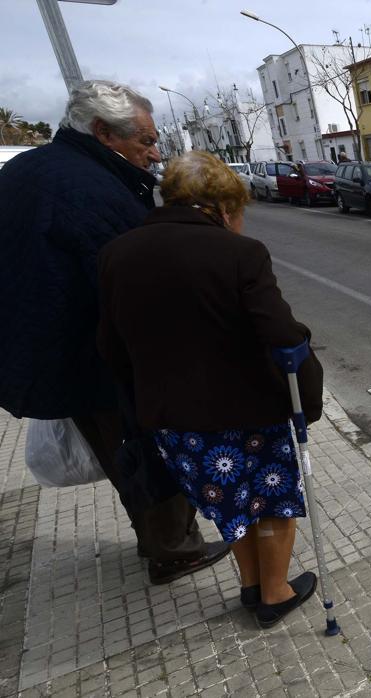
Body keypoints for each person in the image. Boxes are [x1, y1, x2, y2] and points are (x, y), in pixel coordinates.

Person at [0, 80, 229, 585]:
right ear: (103, 132)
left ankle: (158, 541)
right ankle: (175, 548)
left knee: (122, 453)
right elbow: (138, 286)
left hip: (52, 350)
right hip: (104, 355)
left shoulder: (25, 172)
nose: (154, 152)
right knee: (148, 451)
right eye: (145, 141)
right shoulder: (92, 189)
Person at [97, 151, 324, 628]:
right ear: (223, 207)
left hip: (175, 421)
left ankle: (249, 587)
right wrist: (309, 396)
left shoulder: (117, 253)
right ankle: (276, 592)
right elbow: (282, 336)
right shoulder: (240, 253)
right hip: (248, 412)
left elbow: (111, 346)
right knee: (272, 501)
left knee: (231, 504)